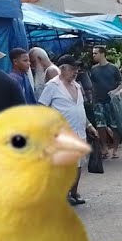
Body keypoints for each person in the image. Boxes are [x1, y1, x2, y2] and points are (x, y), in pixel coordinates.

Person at [38, 55, 91, 205]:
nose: (75, 72)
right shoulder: (52, 86)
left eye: (77, 69)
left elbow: (80, 108)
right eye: (72, 69)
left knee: (78, 164)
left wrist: (89, 126)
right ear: (62, 69)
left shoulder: (77, 86)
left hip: (79, 131)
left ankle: (74, 192)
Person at [89, 45, 122, 158]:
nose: (93, 55)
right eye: (93, 53)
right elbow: (92, 86)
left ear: (102, 54)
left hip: (111, 101)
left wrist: (115, 91)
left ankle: (116, 148)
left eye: (95, 53)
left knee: (114, 125)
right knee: (100, 126)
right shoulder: (93, 69)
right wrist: (92, 100)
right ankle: (104, 148)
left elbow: (121, 83)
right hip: (98, 101)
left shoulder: (113, 68)